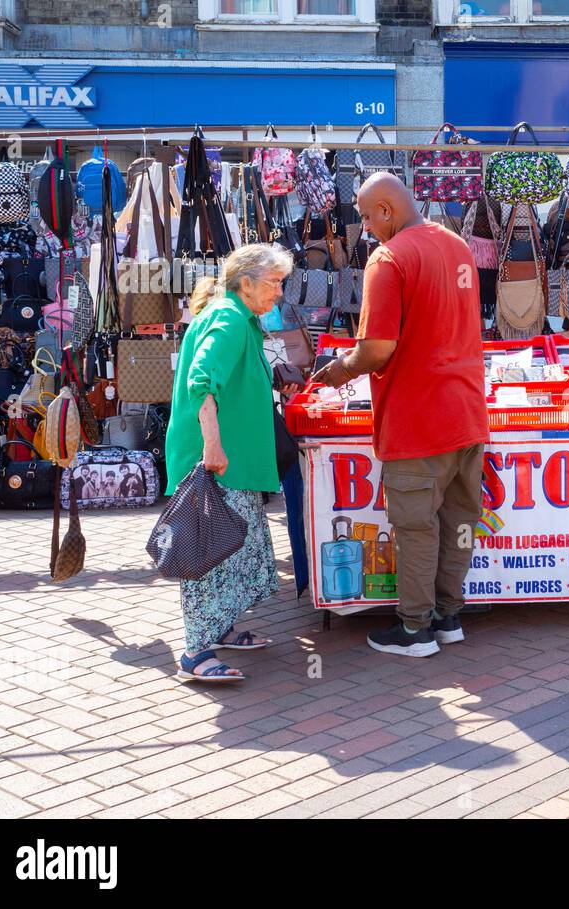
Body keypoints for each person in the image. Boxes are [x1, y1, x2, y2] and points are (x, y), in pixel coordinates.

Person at [312, 173, 488, 658]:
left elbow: (377, 349)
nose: (366, 227)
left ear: (387, 209)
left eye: (368, 216)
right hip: (468, 410)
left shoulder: (389, 258)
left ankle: (415, 630)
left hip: (419, 416)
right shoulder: (455, 245)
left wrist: (338, 371)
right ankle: (449, 616)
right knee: (459, 521)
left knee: (415, 527)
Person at [165, 243, 301, 683]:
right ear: (246, 282)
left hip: (229, 460)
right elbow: (201, 379)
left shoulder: (237, 318)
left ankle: (217, 629)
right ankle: (194, 652)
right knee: (210, 551)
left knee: (231, 546)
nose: (279, 292)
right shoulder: (227, 317)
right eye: (274, 283)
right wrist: (212, 446)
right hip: (216, 461)